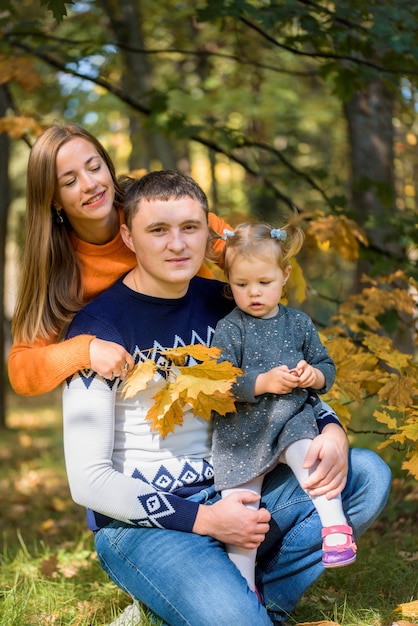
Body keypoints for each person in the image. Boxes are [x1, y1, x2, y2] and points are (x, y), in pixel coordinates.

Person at [62, 170, 391, 626]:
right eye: (158, 230)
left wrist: (330, 425)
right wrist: (206, 521)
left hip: (240, 483)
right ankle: (230, 603)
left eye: (189, 228)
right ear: (129, 237)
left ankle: (263, 599)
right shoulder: (98, 329)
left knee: (366, 474)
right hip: (148, 525)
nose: (177, 244)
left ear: (208, 233)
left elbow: (286, 372)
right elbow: (88, 482)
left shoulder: (231, 299)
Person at [8, 123, 229, 397]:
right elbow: (21, 369)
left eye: (94, 167)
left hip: (211, 353)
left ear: (108, 167)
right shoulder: (60, 269)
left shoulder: (154, 210)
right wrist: (84, 351)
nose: (90, 184)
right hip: (145, 383)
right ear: (54, 200)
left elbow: (245, 254)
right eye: (70, 181)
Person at [211, 222, 356, 594]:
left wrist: (312, 377)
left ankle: (334, 526)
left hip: (291, 420)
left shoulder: (298, 323)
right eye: (242, 285)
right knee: (242, 512)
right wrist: (262, 383)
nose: (253, 293)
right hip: (241, 433)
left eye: (264, 282)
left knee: (311, 458)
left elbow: (326, 367)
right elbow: (221, 382)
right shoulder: (230, 329)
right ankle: (243, 585)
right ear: (230, 283)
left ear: (284, 275)